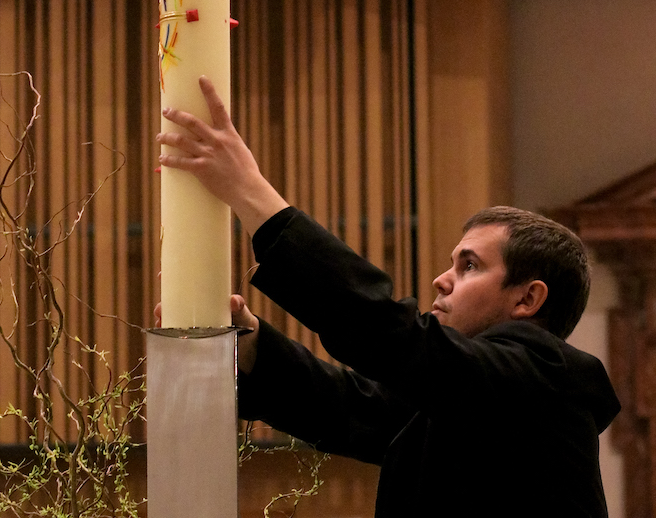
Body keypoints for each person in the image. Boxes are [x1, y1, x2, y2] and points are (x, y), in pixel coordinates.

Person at [157, 76, 621, 518]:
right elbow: (351, 408)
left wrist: (249, 191)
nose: (442, 280)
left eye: (470, 265)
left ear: (528, 299)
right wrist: (255, 347)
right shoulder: (469, 401)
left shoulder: (544, 380)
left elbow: (389, 335)